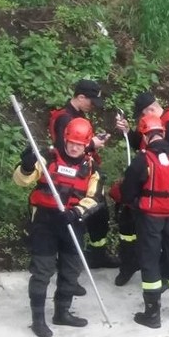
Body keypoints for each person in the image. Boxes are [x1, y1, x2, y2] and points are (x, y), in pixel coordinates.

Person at [13, 118, 102, 337]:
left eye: (79, 144)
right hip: (45, 221)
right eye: (71, 142)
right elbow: (22, 181)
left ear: (87, 144)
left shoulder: (90, 166)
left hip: (71, 220)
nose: (74, 147)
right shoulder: (47, 157)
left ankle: (62, 312)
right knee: (42, 270)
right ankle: (38, 320)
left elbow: (95, 198)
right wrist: (25, 166)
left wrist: (76, 213)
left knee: (71, 270)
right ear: (65, 138)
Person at [119, 115, 169, 328]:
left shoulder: (143, 159)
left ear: (144, 134)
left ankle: (152, 314)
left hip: (150, 217)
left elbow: (128, 190)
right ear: (162, 132)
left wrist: (132, 202)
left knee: (149, 261)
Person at [112, 92, 169, 287]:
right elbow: (140, 144)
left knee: (162, 238)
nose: (141, 120)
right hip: (144, 185)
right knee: (127, 224)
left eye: (142, 116)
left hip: (162, 195)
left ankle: (162, 274)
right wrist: (128, 132)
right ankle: (129, 264)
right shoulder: (152, 124)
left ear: (151, 110)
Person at [49, 79, 118, 270]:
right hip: (70, 177)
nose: (93, 107)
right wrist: (91, 145)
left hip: (87, 171)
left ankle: (98, 254)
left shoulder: (77, 115)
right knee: (74, 221)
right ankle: (67, 268)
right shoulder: (65, 118)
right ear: (80, 97)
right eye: (91, 102)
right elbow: (65, 150)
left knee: (99, 213)